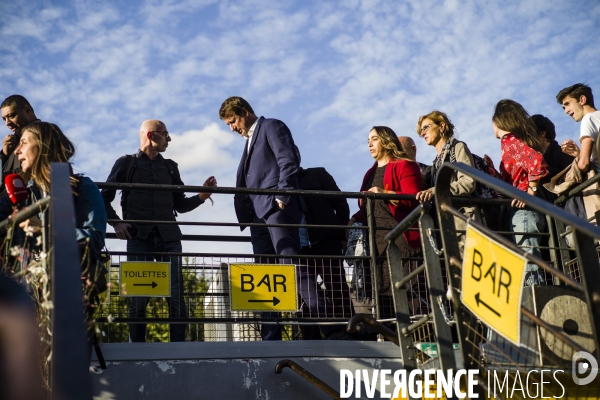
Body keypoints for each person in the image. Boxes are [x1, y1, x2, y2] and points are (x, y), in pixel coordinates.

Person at [101, 119, 216, 342]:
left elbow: (180, 205)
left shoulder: (170, 167)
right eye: (166, 134)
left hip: (169, 238)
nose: (169, 139)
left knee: (175, 296)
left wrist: (202, 196)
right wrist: (116, 222)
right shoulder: (125, 164)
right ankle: (137, 350)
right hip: (138, 238)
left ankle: (178, 350)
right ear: (152, 135)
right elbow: (103, 197)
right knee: (138, 297)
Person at [10, 121, 107, 362]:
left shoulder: (83, 188)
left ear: (42, 146)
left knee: (66, 376)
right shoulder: (21, 196)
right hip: (29, 297)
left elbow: (93, 238)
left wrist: (44, 229)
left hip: (72, 293)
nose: (16, 151)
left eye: (23, 143)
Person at [219, 96, 302, 341]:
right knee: (265, 276)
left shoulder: (272, 126)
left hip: (276, 209)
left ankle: (311, 328)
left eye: (233, 121)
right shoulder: (248, 141)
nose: (232, 128)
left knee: (291, 268)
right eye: (228, 125)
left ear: (245, 112)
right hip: (258, 218)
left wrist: (283, 194)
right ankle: (271, 336)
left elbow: (288, 160)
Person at [349, 126, 421, 318]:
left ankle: (419, 340)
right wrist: (354, 219)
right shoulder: (369, 174)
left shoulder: (404, 165)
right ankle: (391, 342)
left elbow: (413, 199)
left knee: (409, 296)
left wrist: (385, 194)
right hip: (377, 245)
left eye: (374, 139)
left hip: (401, 240)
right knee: (384, 300)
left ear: (387, 141)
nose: (369, 144)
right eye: (367, 141)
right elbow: (368, 207)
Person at [296, 146, 351, 339]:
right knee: (302, 299)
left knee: (337, 289)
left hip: (326, 241)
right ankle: (310, 342)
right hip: (298, 250)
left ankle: (349, 334)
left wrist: (342, 235)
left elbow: (340, 203)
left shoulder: (317, 174)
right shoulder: (277, 184)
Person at [493, 99, 548, 286]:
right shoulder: (513, 142)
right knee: (526, 257)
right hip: (520, 209)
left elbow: (537, 161)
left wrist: (529, 192)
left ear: (498, 122)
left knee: (528, 257)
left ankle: (536, 302)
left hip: (524, 210)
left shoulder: (510, 141)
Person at [531, 114, 574, 203]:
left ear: (542, 133)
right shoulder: (534, 159)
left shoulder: (563, 154)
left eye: (529, 133)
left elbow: (572, 181)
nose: (525, 139)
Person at [557, 84, 600, 171]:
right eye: (564, 108)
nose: (566, 111)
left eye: (567, 104)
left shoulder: (588, 119)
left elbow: (584, 164)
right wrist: (578, 153)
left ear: (582, 99)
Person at [0, 95, 39, 178]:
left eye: (11, 116)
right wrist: (4, 155)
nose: (7, 123)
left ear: (27, 110)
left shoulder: (47, 133)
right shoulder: (13, 143)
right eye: (4, 119)